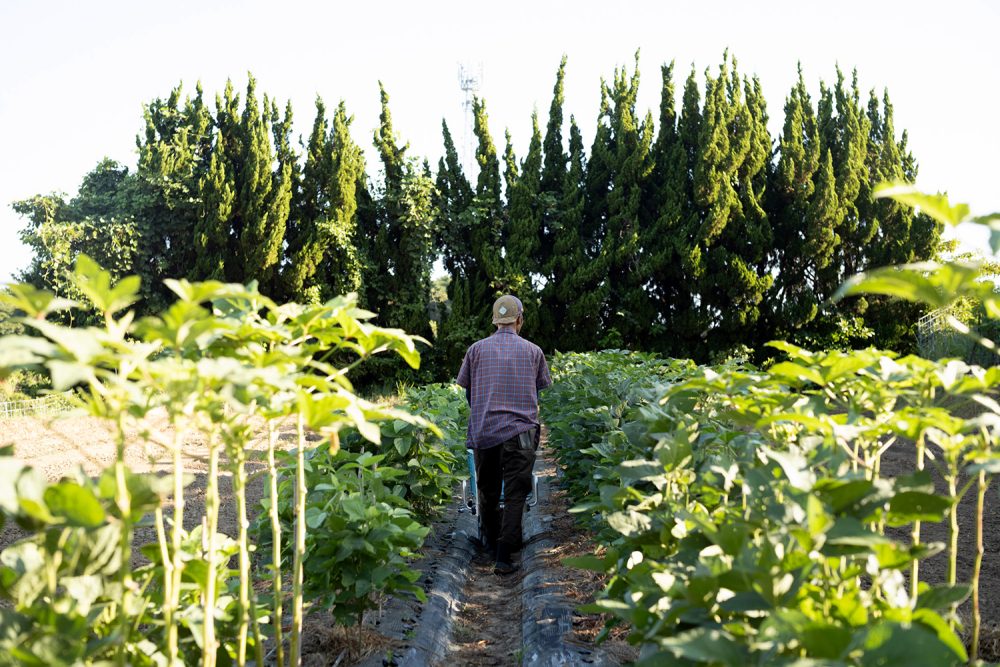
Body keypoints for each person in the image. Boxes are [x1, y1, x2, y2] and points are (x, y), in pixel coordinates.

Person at [456, 294, 551, 575]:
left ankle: (489, 543)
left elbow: (468, 393)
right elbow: (539, 390)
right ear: (520, 319)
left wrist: (486, 413)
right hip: (521, 433)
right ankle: (504, 554)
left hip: (485, 431)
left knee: (486, 490)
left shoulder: (475, 350)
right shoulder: (534, 352)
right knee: (515, 493)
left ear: (495, 321)